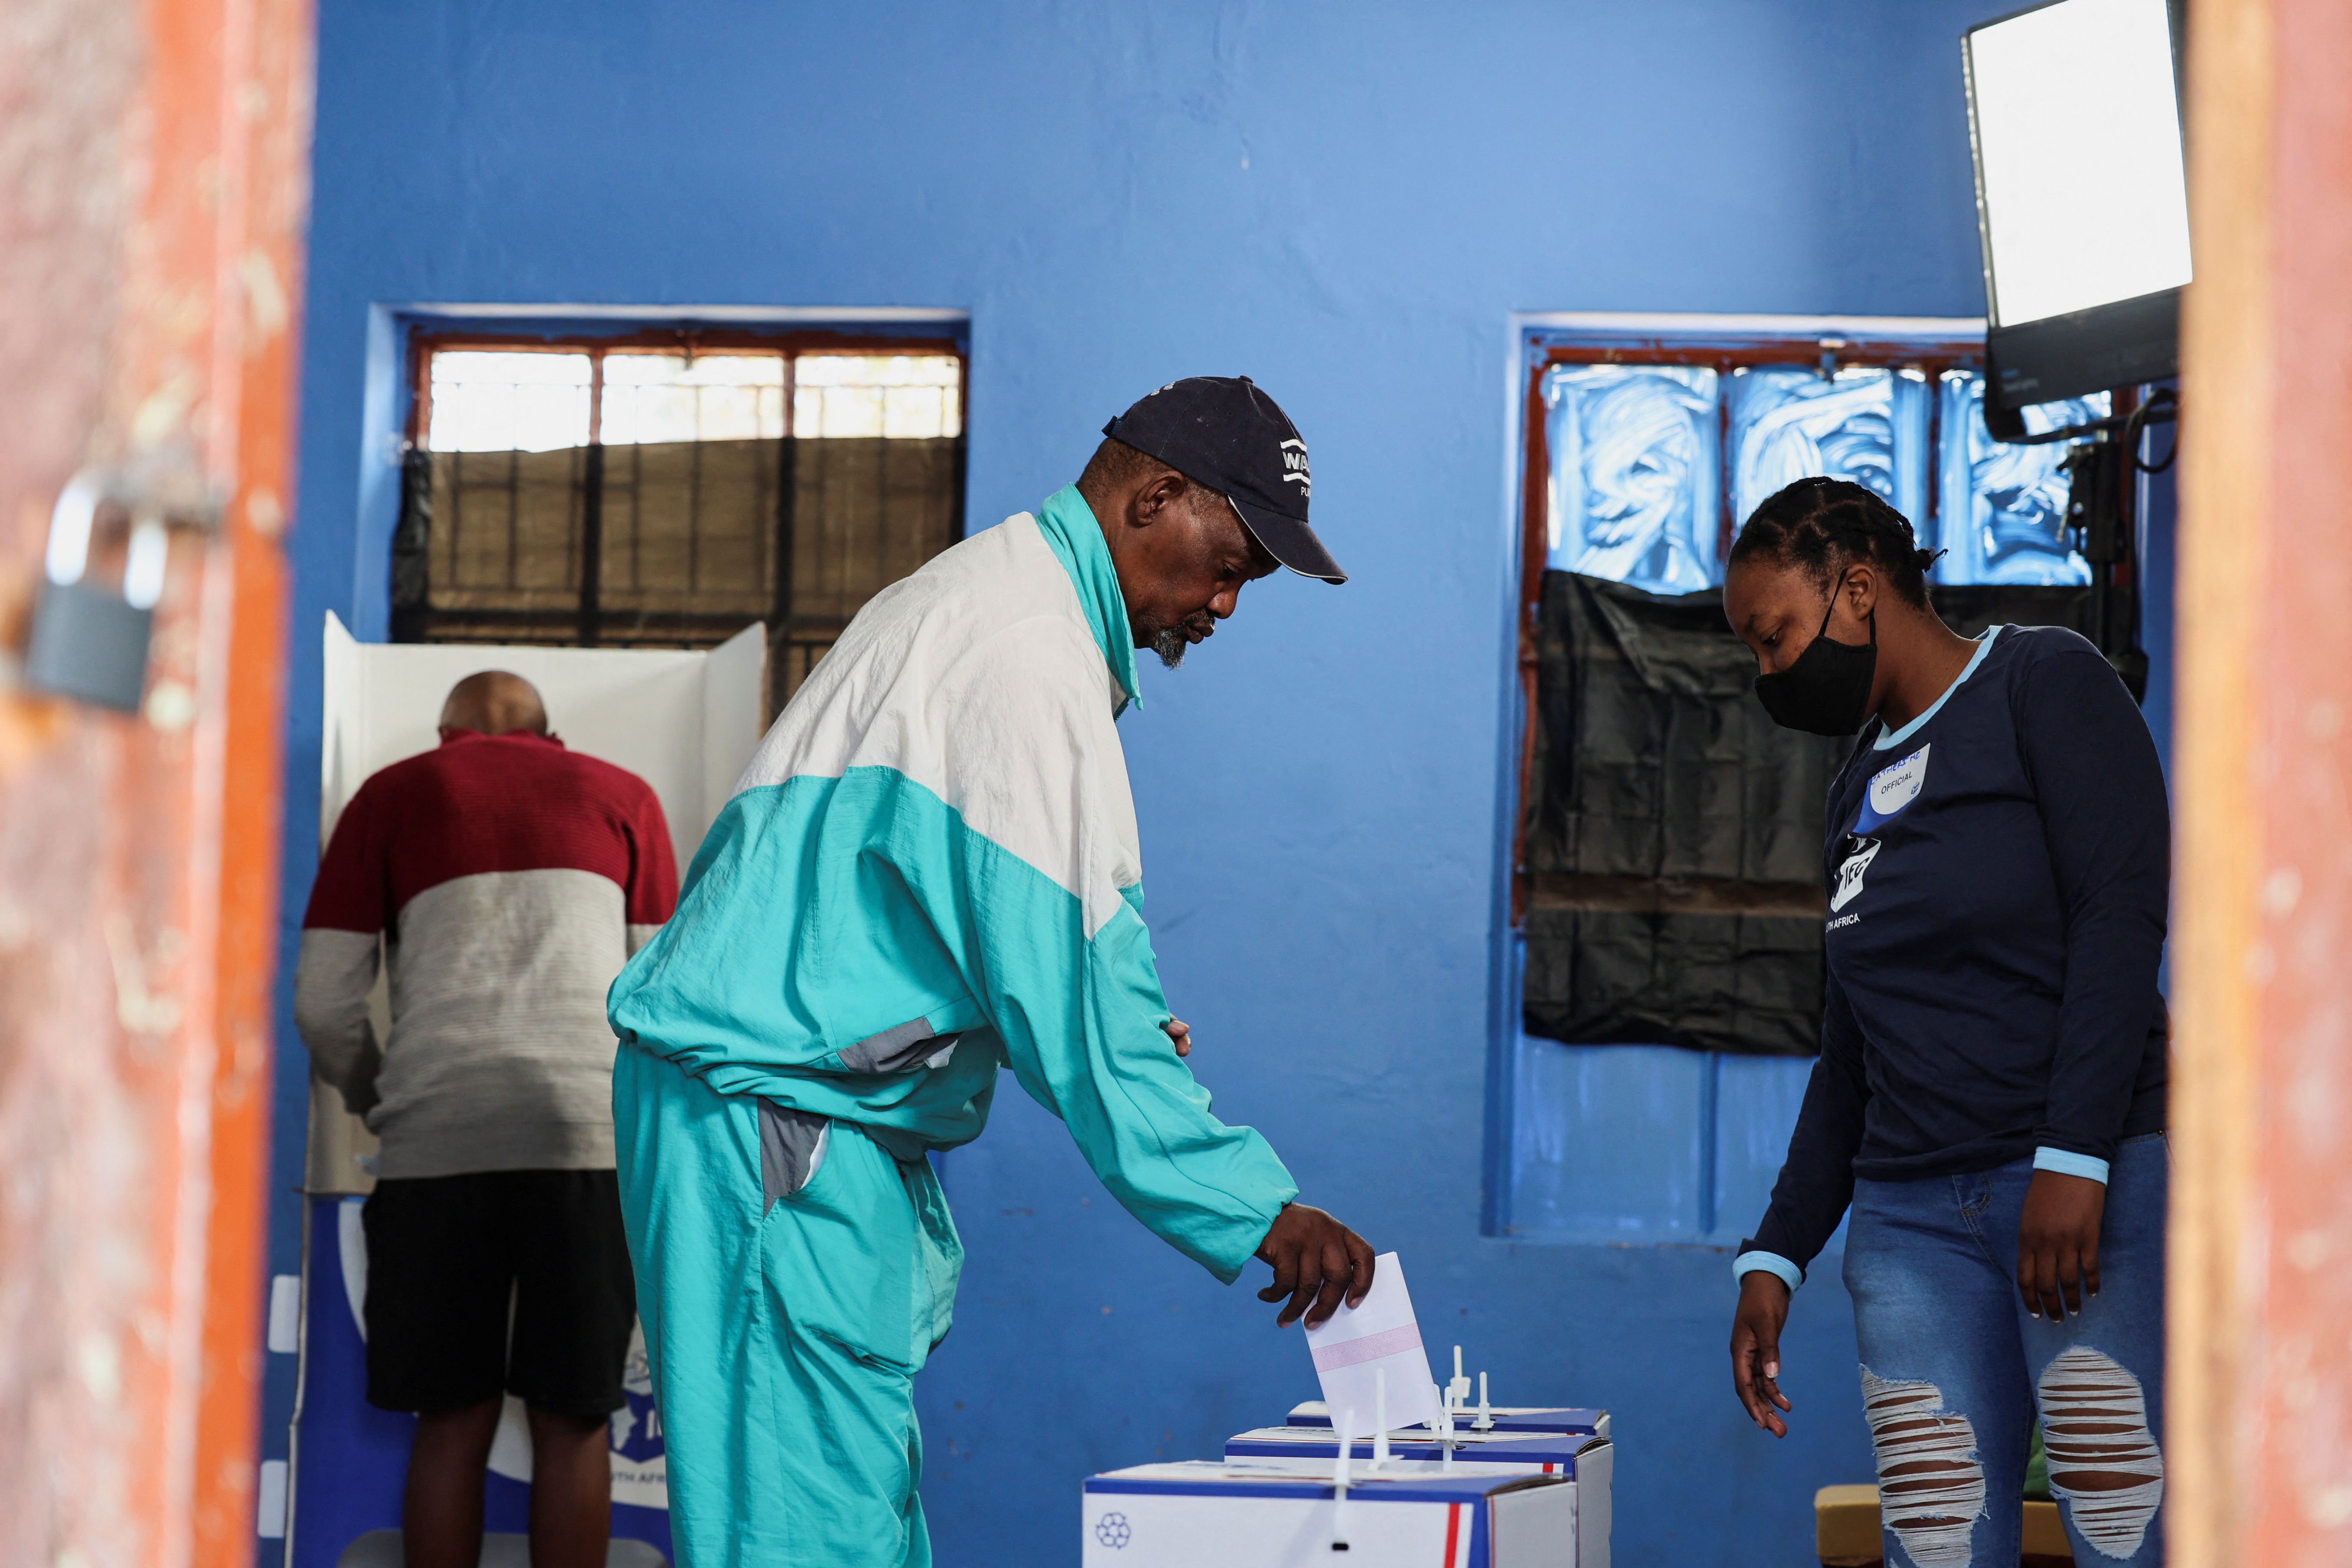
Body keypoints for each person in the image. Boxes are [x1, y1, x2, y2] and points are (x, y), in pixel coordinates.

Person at [606, 375, 1377, 1566]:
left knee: (855, 1514)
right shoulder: (1024, 655)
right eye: (1226, 563)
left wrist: (1057, 1016)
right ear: (1155, 496)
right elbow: (1085, 1008)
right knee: (808, 1536)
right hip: (776, 1120)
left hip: (798, 1116)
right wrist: (1258, 1208)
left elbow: (1005, 958)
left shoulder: (1004, 607)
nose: (1224, 604)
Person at [1721, 478, 2170, 1568]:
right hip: (1909, 1223)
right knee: (1935, 1543)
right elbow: (1852, 1048)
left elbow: (2118, 920)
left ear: (1859, 589)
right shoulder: (1854, 788)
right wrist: (1774, 1253)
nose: (1767, 672)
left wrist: (2073, 1155)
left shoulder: (2042, 679)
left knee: (2121, 1528)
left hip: (2075, 1185)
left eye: (1774, 637)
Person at [295, 671, 679, 1568]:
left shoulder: (390, 796)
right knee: (575, 1417)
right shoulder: (625, 797)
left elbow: (322, 1003)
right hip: (586, 1140)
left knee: (450, 1416)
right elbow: (665, 994)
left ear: (443, 733)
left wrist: (376, 1093)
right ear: (551, 733)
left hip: (436, 1143)